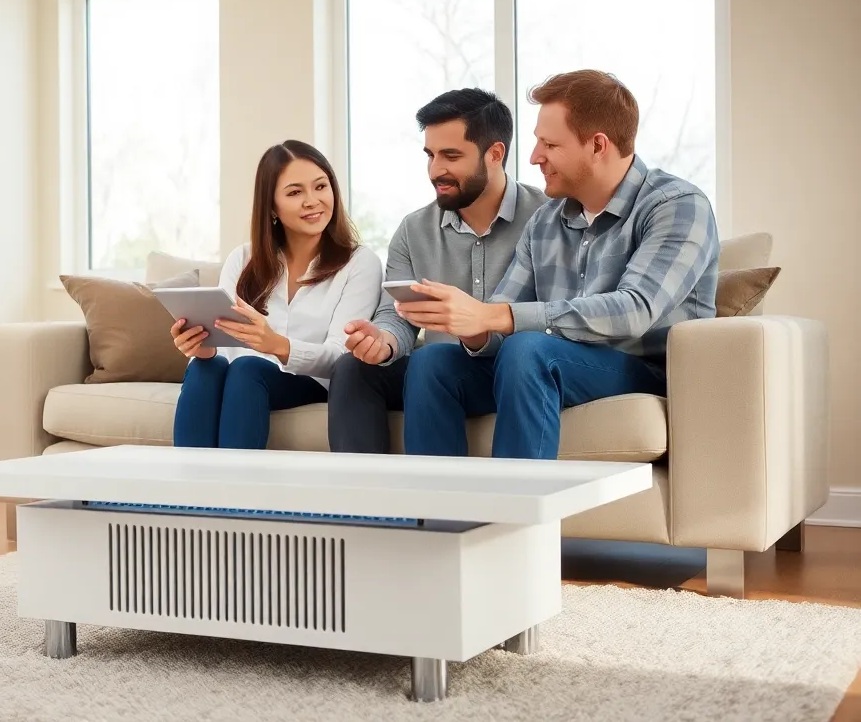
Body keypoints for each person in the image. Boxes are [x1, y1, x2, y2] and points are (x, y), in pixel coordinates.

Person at [395, 69, 720, 460]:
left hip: (641, 369)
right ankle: (436, 513)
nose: (534, 158)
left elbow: (636, 309)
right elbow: (496, 324)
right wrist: (469, 323)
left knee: (530, 349)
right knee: (433, 362)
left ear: (597, 145)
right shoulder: (546, 221)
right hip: (543, 364)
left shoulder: (677, 205)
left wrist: (495, 316)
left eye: (549, 144)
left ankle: (516, 518)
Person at [327, 88, 549, 454]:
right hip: (438, 375)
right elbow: (394, 313)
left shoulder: (547, 218)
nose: (435, 170)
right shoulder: (414, 230)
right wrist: (382, 341)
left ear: (495, 154)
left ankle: (439, 507)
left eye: (451, 156)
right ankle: (365, 505)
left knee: (434, 360)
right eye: (430, 155)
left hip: (520, 370)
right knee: (353, 368)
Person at [171, 139, 383, 450]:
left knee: (248, 368)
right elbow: (224, 347)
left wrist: (278, 346)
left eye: (321, 187)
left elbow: (341, 357)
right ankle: (186, 492)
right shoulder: (243, 259)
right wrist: (201, 348)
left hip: (309, 380)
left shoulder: (359, 263)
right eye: (295, 192)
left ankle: (239, 497)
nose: (313, 201)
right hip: (243, 377)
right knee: (206, 368)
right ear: (272, 206)